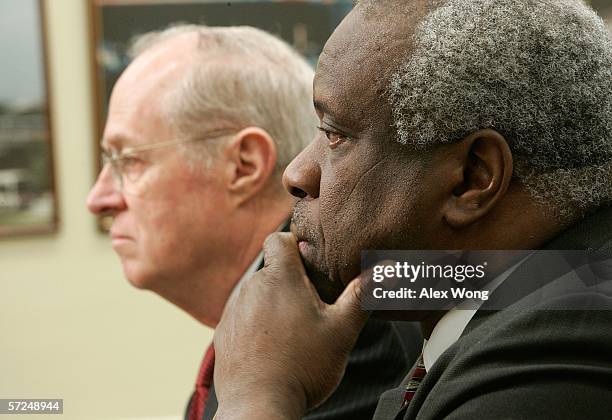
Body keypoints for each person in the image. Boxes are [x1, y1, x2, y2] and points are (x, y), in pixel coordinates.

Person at [211, 0, 612, 419]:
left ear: (472, 178)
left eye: (334, 136)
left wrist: (257, 395)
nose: (296, 175)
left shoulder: (558, 346)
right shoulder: (531, 297)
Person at [86, 24, 421, 420]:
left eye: (128, 161)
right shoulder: (275, 314)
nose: (98, 199)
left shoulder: (329, 320)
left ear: (243, 165)